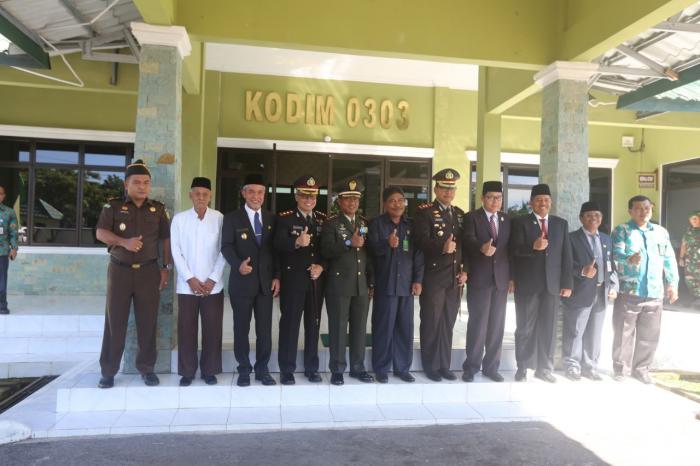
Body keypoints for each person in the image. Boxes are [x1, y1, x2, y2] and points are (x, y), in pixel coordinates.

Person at [95, 160, 172, 388]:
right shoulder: (113, 207)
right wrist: (124, 242)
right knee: (115, 323)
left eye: (146, 182)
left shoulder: (158, 209)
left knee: (148, 323)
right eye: (137, 182)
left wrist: (166, 267)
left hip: (149, 272)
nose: (142, 186)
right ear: (126, 185)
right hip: (119, 271)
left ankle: (147, 369)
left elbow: (165, 240)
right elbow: (100, 233)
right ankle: (108, 371)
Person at [611, 195, 678, 384]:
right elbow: (615, 255)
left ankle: (641, 370)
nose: (643, 212)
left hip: (654, 292)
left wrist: (673, 283)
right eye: (638, 208)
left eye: (647, 208)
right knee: (623, 334)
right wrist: (628, 259)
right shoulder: (622, 231)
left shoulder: (661, 232)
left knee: (649, 335)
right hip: (629, 291)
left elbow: (669, 259)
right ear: (630, 211)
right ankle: (621, 369)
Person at [510, 183, 572, 383]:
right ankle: (522, 367)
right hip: (527, 285)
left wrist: (567, 283)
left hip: (552, 286)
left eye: (546, 200)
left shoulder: (560, 224)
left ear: (551, 203)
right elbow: (513, 250)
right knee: (524, 328)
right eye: (538, 200)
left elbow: (566, 255)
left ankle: (544, 369)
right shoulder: (520, 222)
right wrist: (532, 247)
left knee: (549, 328)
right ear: (531, 203)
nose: (542, 203)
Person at [221, 173, 280, 387]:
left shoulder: (272, 219)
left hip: (265, 285)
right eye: (252, 192)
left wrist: (277, 276)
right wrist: (238, 264)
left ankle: (262, 369)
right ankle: (244, 369)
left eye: (260, 192)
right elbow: (226, 246)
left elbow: (276, 251)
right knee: (241, 329)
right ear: (243, 193)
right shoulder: (232, 218)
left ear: (264, 194)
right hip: (242, 283)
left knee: (264, 330)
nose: (256, 196)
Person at [170, 177, 226, 387]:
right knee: (186, 329)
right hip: (187, 286)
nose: (201, 197)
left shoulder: (219, 218)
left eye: (205, 194)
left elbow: (224, 250)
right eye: (197, 194)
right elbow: (176, 251)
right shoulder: (179, 219)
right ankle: (187, 371)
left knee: (212, 329)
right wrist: (190, 278)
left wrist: (212, 279)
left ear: (210, 196)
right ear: (190, 195)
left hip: (213, 286)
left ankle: (209, 371)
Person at [414, 168, 467, 382]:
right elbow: (419, 242)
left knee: (447, 323)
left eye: (451, 188)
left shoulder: (459, 214)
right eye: (444, 188)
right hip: (434, 276)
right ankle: (431, 366)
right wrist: (441, 247)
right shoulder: (424, 212)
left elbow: (464, 247)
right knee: (431, 322)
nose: (448, 192)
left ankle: (444, 365)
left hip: (454, 277)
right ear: (436, 189)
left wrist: (465, 271)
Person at [367, 186, 424, 383]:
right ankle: (381, 368)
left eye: (401, 200)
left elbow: (418, 255)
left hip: (406, 285)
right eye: (392, 201)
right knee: (383, 327)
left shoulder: (411, 225)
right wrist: (387, 244)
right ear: (385, 204)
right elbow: (370, 250)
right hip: (385, 284)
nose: (397, 204)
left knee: (405, 328)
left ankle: (402, 368)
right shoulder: (376, 224)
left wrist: (418, 279)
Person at [321, 179, 374, 386]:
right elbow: (326, 250)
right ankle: (337, 369)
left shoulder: (364, 223)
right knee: (338, 328)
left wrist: (371, 282)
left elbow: (369, 256)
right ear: (339, 201)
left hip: (361, 285)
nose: (352, 203)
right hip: (339, 285)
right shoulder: (331, 223)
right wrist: (348, 242)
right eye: (347, 199)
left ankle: (358, 367)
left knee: (360, 328)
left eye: (355, 199)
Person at [274, 175, 326, 385]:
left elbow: (328, 250)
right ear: (296, 196)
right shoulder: (285, 218)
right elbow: (276, 245)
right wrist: (296, 242)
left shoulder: (322, 219)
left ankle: (311, 368)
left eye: (312, 196)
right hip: (293, 281)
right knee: (290, 325)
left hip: (315, 281)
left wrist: (321, 266)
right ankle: (287, 369)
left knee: (313, 326)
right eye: (304, 195)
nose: (309, 200)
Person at [461, 181, 512, 383]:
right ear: (482, 198)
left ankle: (491, 367)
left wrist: (512, 278)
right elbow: (467, 240)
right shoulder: (471, 217)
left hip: (501, 279)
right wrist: (480, 247)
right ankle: (471, 367)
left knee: (497, 326)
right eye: (490, 197)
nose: (495, 201)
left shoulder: (507, 219)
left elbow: (509, 250)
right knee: (478, 324)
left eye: (498, 198)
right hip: (479, 278)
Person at [561, 201, 618, 381]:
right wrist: (581, 271)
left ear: (601, 218)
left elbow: (611, 265)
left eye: (597, 215)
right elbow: (564, 266)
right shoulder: (571, 238)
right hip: (579, 292)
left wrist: (613, 285)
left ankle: (590, 367)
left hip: (601, 293)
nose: (593, 218)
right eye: (589, 215)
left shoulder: (606, 239)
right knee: (575, 331)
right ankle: (572, 366)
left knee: (594, 333)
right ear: (581, 218)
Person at [0, 185, 18, 315]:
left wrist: (14, 248)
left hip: (2, 252)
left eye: (0, 193)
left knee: (2, 281)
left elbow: (13, 232)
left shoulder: (9, 212)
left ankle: (2, 306)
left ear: (4, 196)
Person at [679, 211, 700, 309]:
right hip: (690, 261)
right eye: (691, 219)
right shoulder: (688, 232)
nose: (693, 221)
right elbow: (684, 245)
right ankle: (695, 298)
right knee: (689, 279)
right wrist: (681, 258)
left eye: (695, 218)